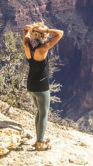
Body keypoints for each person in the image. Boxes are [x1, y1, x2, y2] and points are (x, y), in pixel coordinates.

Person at [22, 22, 64, 151]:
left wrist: (34, 29)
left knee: (39, 113)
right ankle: (39, 143)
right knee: (44, 114)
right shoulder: (44, 48)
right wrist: (45, 30)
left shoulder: (27, 45)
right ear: (43, 36)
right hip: (41, 87)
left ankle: (39, 138)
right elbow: (60, 33)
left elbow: (25, 29)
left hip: (31, 85)